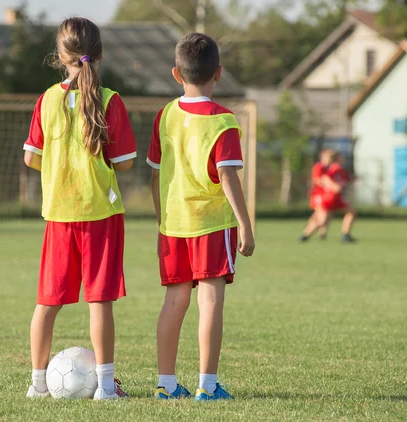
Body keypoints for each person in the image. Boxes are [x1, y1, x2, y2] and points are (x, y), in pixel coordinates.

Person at [23, 17, 137, 400]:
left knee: (47, 302)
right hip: (100, 216)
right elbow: (124, 163)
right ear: (99, 54)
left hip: (59, 214)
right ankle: (105, 387)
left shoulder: (47, 99)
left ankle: (37, 386)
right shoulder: (111, 100)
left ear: (60, 56)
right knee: (99, 302)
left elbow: (30, 158)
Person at [147, 33, 255, 401]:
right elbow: (227, 176)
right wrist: (245, 224)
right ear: (218, 73)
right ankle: (207, 387)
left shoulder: (165, 115)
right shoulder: (223, 120)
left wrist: (162, 216)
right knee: (210, 302)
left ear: (177, 74)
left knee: (173, 302)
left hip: (173, 225)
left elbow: (155, 173)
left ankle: (166, 384)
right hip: (211, 224)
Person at [300, 149, 338, 242]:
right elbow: (317, 180)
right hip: (318, 195)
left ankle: (318, 233)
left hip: (327, 196)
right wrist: (331, 185)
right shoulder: (319, 167)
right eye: (329, 157)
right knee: (322, 218)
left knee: (325, 216)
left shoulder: (330, 168)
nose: (330, 160)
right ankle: (306, 235)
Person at [324, 153, 358, 243]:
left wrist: (353, 178)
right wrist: (332, 185)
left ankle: (345, 234)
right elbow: (324, 178)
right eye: (341, 157)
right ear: (337, 159)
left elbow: (346, 179)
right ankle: (345, 235)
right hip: (331, 196)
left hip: (337, 197)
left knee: (350, 212)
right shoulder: (334, 168)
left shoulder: (341, 170)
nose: (343, 158)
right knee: (322, 219)